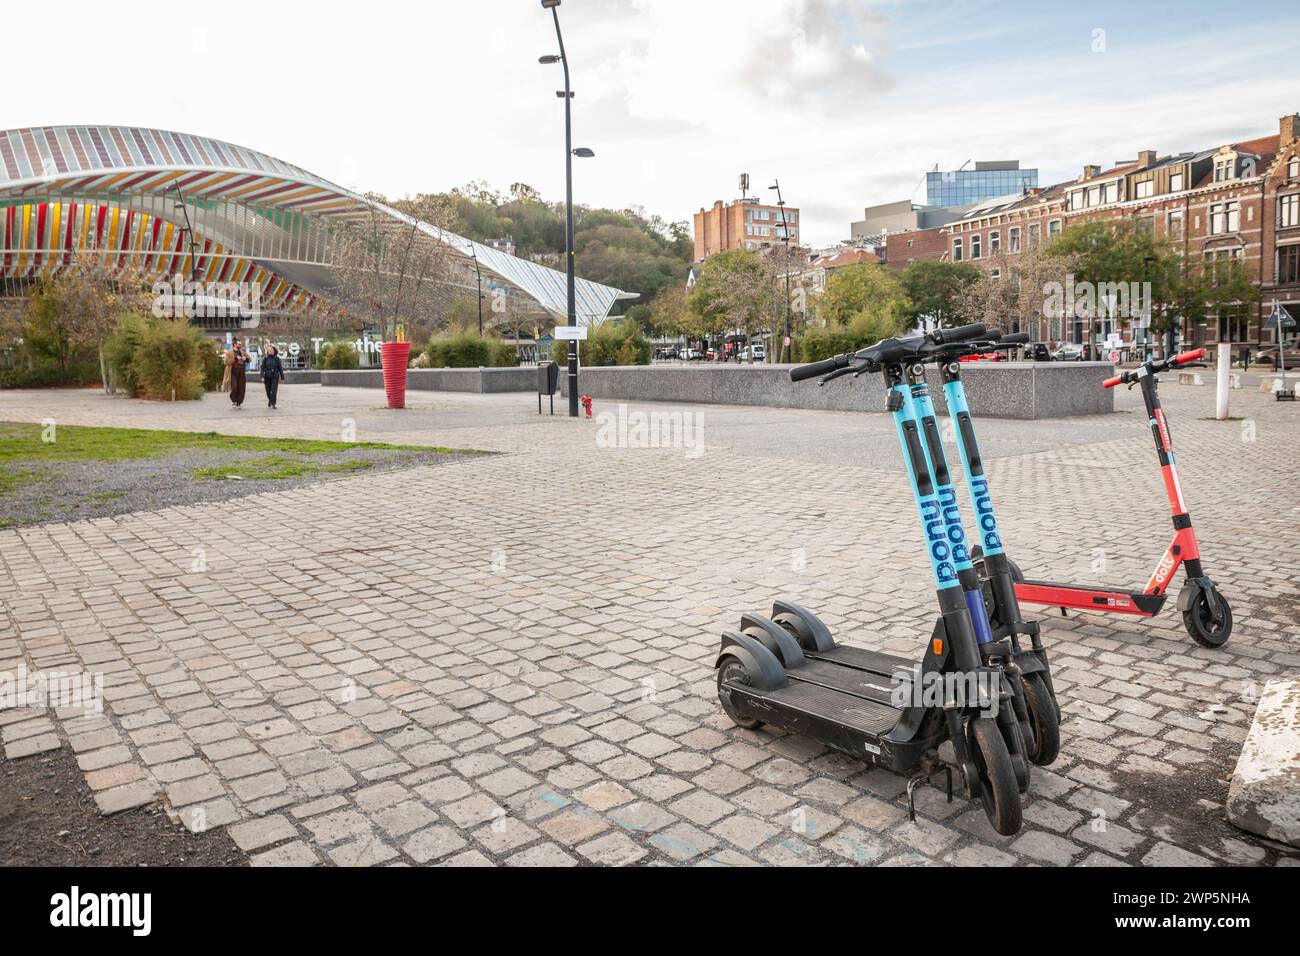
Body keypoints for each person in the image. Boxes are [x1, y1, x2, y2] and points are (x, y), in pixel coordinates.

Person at [261, 345, 285, 409]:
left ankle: (273, 404)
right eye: (268, 350)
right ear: (267, 351)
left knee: (273, 390)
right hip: (267, 376)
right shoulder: (265, 359)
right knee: (268, 391)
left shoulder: (277, 359)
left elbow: (280, 368)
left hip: (275, 376)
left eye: (271, 350)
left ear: (274, 351)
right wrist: (262, 377)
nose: (270, 351)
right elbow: (262, 368)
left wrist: (282, 377)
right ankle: (270, 400)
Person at [228, 338, 248, 408]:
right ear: (235, 344)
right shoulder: (229, 352)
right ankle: (233, 400)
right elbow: (226, 362)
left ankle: (239, 402)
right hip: (233, 372)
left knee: (241, 388)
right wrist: (234, 359)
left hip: (242, 372)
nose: (240, 345)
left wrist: (246, 358)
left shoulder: (242, 352)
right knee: (234, 387)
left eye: (240, 344)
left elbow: (249, 359)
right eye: (239, 344)